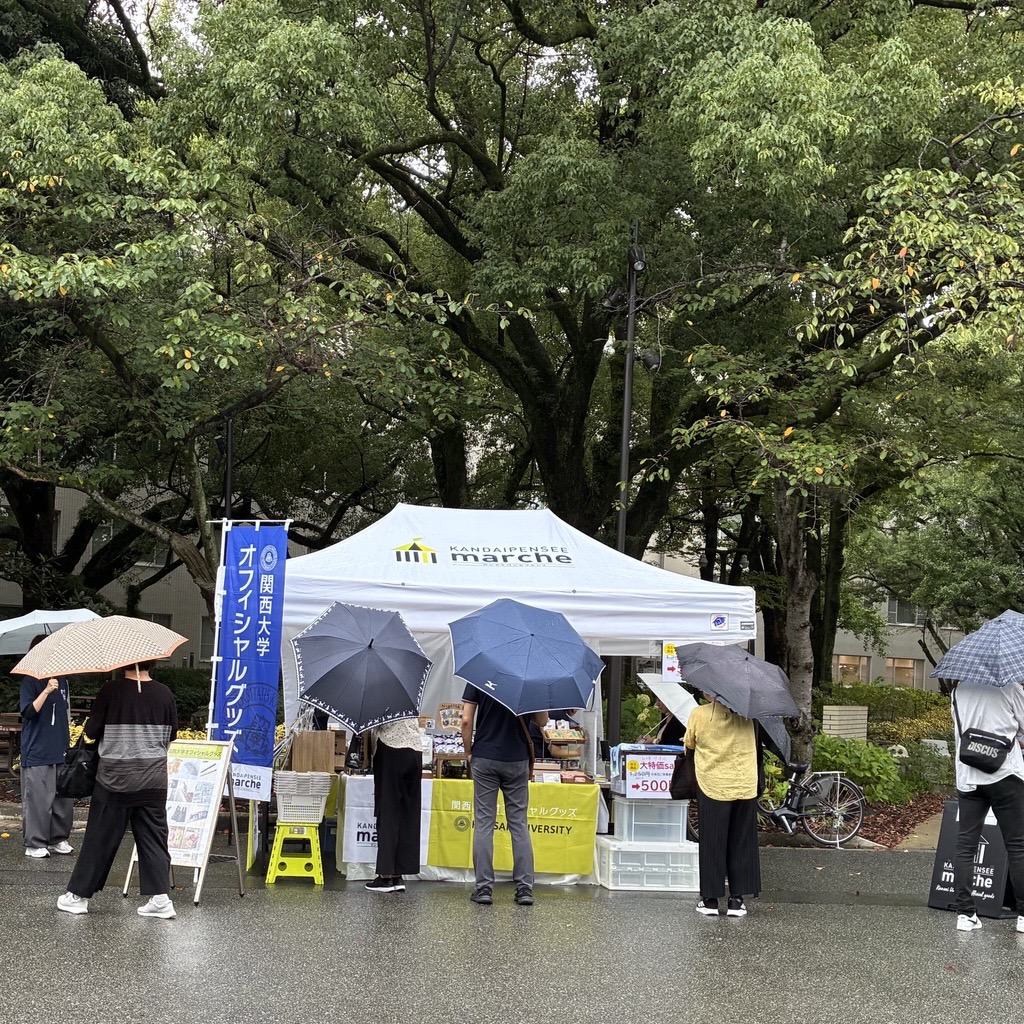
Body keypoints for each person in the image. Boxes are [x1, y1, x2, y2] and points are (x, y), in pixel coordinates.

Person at [57, 660, 178, 918]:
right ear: (153, 662)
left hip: (115, 779)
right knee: (154, 838)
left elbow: (91, 732)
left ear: (124, 662)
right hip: (154, 778)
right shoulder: (165, 693)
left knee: (99, 837)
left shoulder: (110, 691)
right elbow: (171, 736)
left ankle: (78, 896)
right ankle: (161, 899)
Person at [461, 688, 548, 906]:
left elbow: (465, 719)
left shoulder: (479, 675)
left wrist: (468, 751)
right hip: (517, 758)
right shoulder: (530, 679)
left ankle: (483, 889)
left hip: (485, 755)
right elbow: (542, 721)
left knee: (483, 824)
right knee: (518, 824)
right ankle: (524, 889)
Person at [950, 679, 1024, 933]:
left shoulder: (959, 690)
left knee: (965, 847)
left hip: (968, 776)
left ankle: (965, 914)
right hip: (1006, 776)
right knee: (1018, 846)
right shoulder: (1011, 688)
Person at [684, 692, 760, 918]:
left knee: (712, 842)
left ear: (711, 692)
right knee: (742, 841)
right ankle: (737, 900)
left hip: (713, 784)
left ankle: (710, 900)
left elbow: (689, 742)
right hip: (744, 784)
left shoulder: (700, 714)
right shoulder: (749, 716)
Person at [19, 635, 74, 859]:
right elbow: (28, 712)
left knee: (62, 798)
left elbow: (65, 713)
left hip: (59, 747)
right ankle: (34, 843)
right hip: (37, 749)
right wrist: (46, 691)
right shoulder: (29, 681)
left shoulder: (63, 681)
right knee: (38, 799)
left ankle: (57, 839)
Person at [365, 717, 424, 893]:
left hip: (391, 748)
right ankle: (399, 873)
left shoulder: (381, 696)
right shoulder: (406, 694)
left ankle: (385, 875)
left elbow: (373, 723)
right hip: (415, 750)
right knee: (408, 813)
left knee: (388, 810)